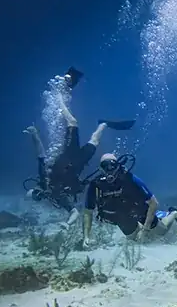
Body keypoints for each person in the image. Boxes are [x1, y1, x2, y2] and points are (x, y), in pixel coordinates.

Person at [24, 71, 135, 228]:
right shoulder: (57, 198)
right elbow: (74, 212)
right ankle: (104, 124)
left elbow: (40, 153)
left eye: (36, 192)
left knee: (73, 122)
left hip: (68, 152)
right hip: (80, 162)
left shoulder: (44, 177)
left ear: (35, 188)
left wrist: (34, 135)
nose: (39, 194)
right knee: (95, 140)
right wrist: (68, 224)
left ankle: (59, 97)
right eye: (37, 197)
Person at [81, 153, 177, 248]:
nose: (109, 170)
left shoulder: (131, 179)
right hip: (121, 216)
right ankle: (147, 226)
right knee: (135, 239)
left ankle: (174, 213)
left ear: (118, 166)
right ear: (100, 169)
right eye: (105, 166)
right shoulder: (96, 185)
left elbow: (153, 203)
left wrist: (145, 230)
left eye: (112, 165)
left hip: (139, 209)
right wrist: (86, 236)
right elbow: (88, 211)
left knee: (161, 232)